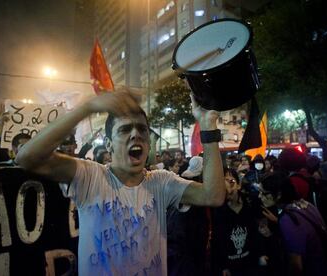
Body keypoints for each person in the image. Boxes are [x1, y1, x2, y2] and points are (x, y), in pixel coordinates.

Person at [15, 89, 225, 275]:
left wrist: (207, 126)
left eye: (142, 129)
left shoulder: (162, 182)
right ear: (108, 144)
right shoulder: (89, 176)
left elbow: (213, 195)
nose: (136, 134)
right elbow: (26, 158)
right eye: (125, 130)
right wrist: (87, 108)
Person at [210, 168, 261, 276]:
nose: (227, 186)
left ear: (239, 185)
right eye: (223, 182)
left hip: (250, 263)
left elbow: (255, 233)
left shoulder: (250, 204)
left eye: (231, 181)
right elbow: (217, 240)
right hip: (229, 266)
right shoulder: (217, 210)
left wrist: (260, 254)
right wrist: (223, 266)